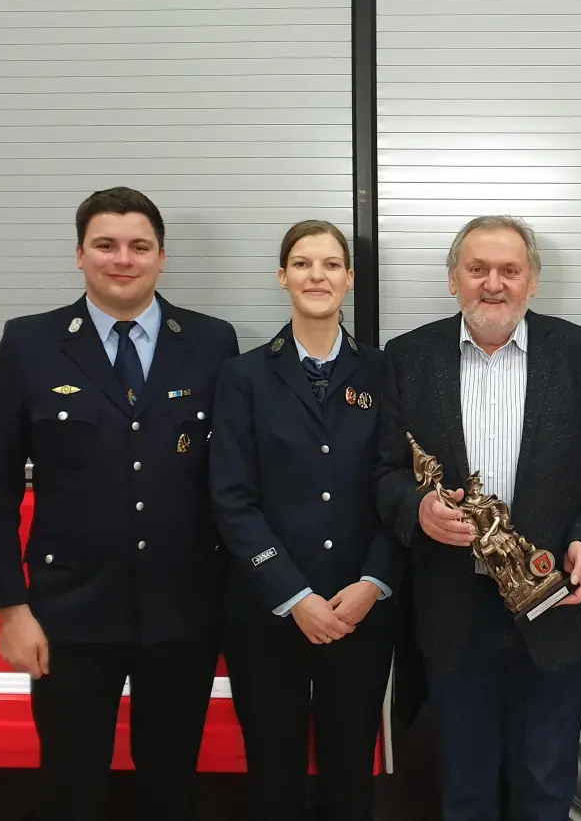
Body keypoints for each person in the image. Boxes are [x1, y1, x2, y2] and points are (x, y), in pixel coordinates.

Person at [0, 186, 240, 821]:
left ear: (162, 256)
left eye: (139, 246)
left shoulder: (211, 341)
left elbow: (232, 476)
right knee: (71, 785)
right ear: (79, 254)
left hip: (183, 612)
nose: (123, 259)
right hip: (69, 614)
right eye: (106, 245)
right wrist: (9, 609)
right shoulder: (29, 343)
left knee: (170, 786)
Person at [373, 215, 581, 821]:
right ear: (453, 279)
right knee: (466, 789)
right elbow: (383, 472)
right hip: (452, 610)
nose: (493, 284)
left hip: (555, 607)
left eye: (510, 270)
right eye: (477, 269)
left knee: (546, 788)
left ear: (532, 281)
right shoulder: (407, 356)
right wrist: (418, 509)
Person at [208, 220, 406, 821]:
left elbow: (401, 486)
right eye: (301, 263)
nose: (316, 276)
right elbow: (231, 498)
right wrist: (294, 596)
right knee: (274, 776)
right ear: (282, 276)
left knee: (351, 776)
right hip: (266, 612)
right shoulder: (242, 376)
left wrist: (373, 582)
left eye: (330, 264)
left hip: (359, 611)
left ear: (350, 278)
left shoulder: (384, 371)